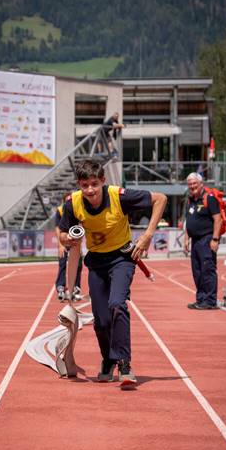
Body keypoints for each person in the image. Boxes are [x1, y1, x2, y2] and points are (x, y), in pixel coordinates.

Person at [59, 159, 167, 386]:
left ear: (103, 181)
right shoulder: (73, 204)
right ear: (79, 184)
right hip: (96, 262)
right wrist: (68, 238)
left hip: (122, 258)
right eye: (85, 185)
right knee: (101, 320)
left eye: (94, 184)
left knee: (117, 304)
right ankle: (108, 359)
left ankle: (124, 363)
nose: (90, 190)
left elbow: (161, 199)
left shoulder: (120, 196)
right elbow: (61, 234)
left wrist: (147, 236)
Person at [184, 172, 222, 310]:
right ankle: (201, 300)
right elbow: (189, 221)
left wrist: (215, 239)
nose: (192, 186)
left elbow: (218, 219)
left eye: (194, 183)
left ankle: (210, 301)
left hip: (207, 239)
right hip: (195, 241)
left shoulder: (209, 199)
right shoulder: (190, 200)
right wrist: (186, 239)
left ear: (201, 184)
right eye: (190, 184)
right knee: (197, 271)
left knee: (207, 270)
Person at [54, 198, 83, 301]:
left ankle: (76, 288)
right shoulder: (60, 210)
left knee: (78, 264)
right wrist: (60, 245)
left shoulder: (77, 208)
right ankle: (60, 287)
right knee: (62, 264)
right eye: (67, 201)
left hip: (75, 241)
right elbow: (58, 228)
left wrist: (79, 246)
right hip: (64, 239)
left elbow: (80, 227)